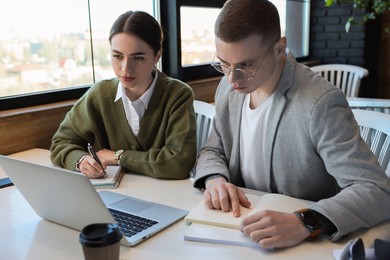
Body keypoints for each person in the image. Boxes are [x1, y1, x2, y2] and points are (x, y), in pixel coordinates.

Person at [193, 0, 390, 250]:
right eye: (224, 63)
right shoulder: (227, 89)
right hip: (236, 235)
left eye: (246, 65)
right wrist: (214, 180)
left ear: (279, 48)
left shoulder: (320, 102)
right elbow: (213, 149)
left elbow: (376, 190)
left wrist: (305, 221)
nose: (233, 78)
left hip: (303, 245)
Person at [50, 10, 196, 180]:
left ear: (157, 55)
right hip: (114, 196)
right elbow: (61, 143)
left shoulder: (178, 95)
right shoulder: (100, 94)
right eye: (117, 56)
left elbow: (178, 163)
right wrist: (81, 160)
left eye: (138, 58)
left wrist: (118, 156)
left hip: (165, 198)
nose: (125, 69)